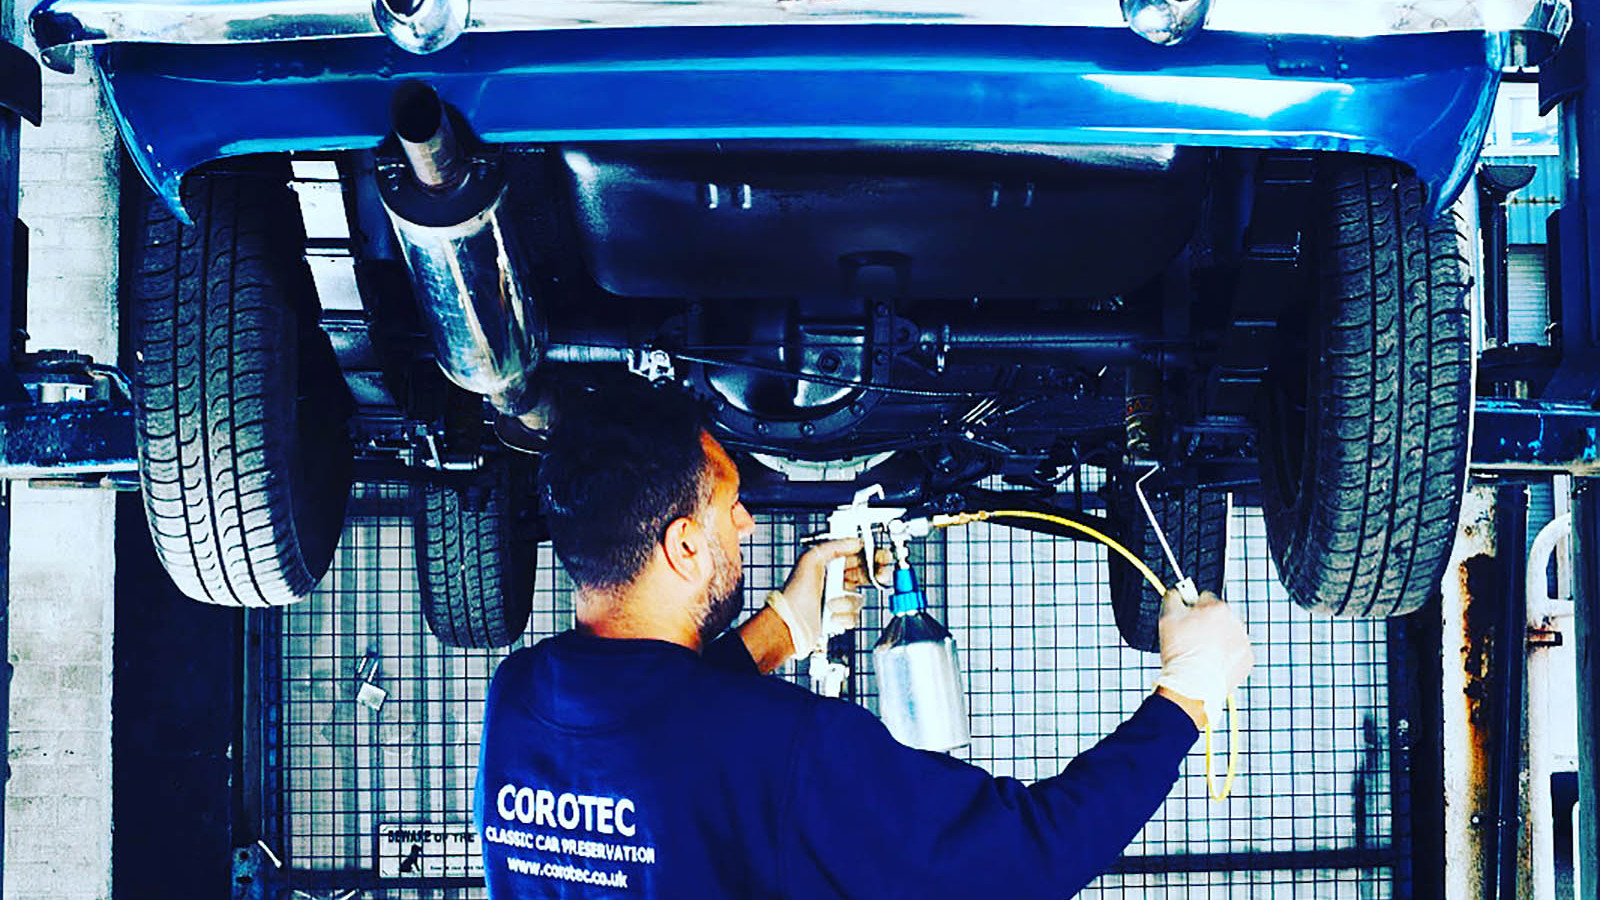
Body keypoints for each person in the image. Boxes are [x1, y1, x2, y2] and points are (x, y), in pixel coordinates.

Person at [476, 386, 1254, 899]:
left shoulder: (518, 699)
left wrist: (783, 627)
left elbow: (662, 736)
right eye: (730, 506)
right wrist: (1184, 698)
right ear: (682, 547)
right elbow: (1023, 861)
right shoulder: (788, 746)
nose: (747, 524)